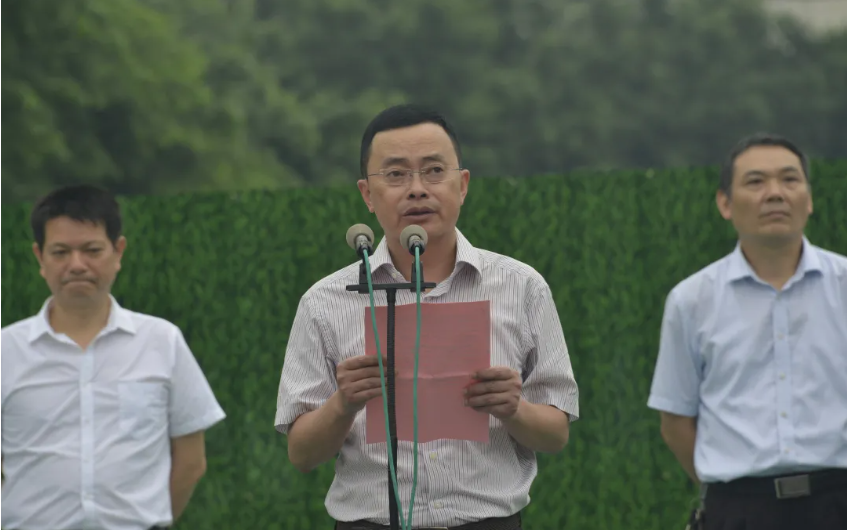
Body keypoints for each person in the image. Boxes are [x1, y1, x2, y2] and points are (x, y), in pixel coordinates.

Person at [275, 104, 579, 530]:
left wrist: (514, 409)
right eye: (395, 174)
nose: (417, 189)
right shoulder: (325, 302)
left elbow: (556, 434)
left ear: (463, 184)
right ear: (367, 194)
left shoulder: (522, 287)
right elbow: (302, 454)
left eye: (434, 171)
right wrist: (343, 404)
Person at [647, 133, 847, 530]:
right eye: (755, 182)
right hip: (739, 511)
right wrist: (734, 490)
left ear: (809, 199)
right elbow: (676, 421)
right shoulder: (691, 300)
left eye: (790, 179)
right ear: (725, 203)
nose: (775, 193)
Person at [1, 185, 227, 530]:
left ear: (118, 251)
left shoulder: (161, 341)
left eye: (92, 250)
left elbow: (191, 460)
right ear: (39, 258)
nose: (77, 265)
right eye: (60, 252)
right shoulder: (6, 350)